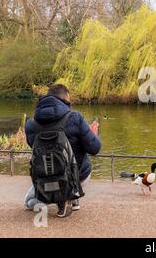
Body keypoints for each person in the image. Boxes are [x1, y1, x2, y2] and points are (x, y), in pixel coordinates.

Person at [24, 84, 101, 217]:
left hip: (45, 178)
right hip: (77, 176)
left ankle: (60, 196)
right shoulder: (75, 117)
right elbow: (95, 148)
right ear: (66, 99)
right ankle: (69, 196)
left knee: (29, 202)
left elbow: (35, 148)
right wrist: (92, 135)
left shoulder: (31, 124)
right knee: (82, 162)